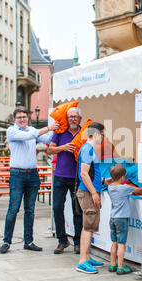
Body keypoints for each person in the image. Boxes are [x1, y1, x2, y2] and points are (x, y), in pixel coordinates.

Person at [0, 107, 59, 254]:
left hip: (32, 175)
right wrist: (48, 128)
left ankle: (29, 242)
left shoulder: (32, 130)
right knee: (13, 209)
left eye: (24, 117)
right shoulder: (11, 131)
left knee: (30, 210)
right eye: (19, 117)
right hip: (17, 175)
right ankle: (6, 242)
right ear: (14, 119)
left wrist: (57, 128)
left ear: (28, 118)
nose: (22, 119)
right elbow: (31, 135)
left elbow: (48, 138)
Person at [47, 107, 83, 255]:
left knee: (77, 211)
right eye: (70, 117)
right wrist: (63, 147)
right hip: (60, 176)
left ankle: (78, 242)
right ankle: (62, 240)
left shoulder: (84, 133)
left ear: (80, 118)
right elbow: (49, 150)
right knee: (57, 208)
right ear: (67, 119)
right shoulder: (60, 131)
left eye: (75, 117)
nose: (73, 119)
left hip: (77, 176)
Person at [76, 122, 109, 274]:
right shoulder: (88, 149)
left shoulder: (88, 149)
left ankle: (87, 257)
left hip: (90, 191)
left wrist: (102, 181)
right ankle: (83, 261)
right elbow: (83, 173)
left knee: (88, 226)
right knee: (88, 227)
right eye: (103, 134)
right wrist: (94, 193)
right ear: (96, 134)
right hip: (88, 193)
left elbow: (90, 173)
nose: (103, 137)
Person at [107, 164, 142, 275]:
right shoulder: (125, 188)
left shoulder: (110, 187)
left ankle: (112, 264)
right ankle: (120, 267)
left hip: (112, 218)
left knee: (114, 242)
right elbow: (139, 190)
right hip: (122, 219)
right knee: (122, 244)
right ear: (123, 177)